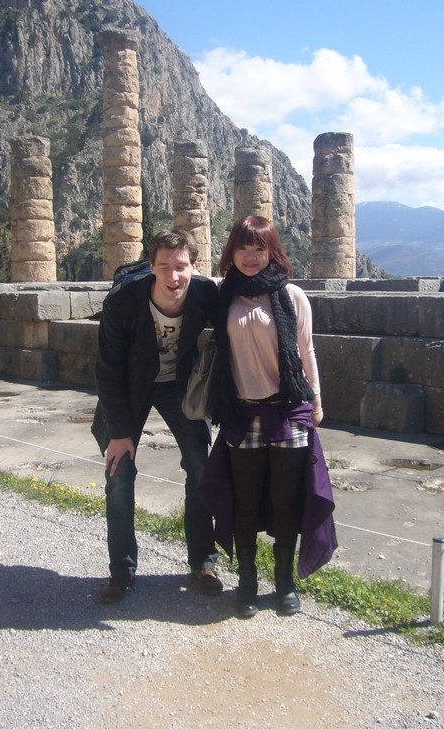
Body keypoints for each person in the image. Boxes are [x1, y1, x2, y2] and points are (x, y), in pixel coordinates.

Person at [199, 215, 337, 619]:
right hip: (241, 411)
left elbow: (306, 350)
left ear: (272, 251)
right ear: (231, 253)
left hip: (288, 409)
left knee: (286, 500)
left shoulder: (292, 296)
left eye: (259, 248)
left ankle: (284, 582)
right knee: (244, 500)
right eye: (243, 247)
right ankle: (247, 582)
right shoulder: (222, 295)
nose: (251, 256)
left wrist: (317, 400)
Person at [91, 229, 221, 603]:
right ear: (151, 267)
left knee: (200, 465)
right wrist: (119, 432)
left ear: (195, 268)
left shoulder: (204, 295)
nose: (173, 275)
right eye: (164, 266)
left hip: (179, 387)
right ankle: (121, 570)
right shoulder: (122, 302)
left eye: (181, 266)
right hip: (131, 386)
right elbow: (107, 370)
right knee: (119, 472)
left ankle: (203, 562)